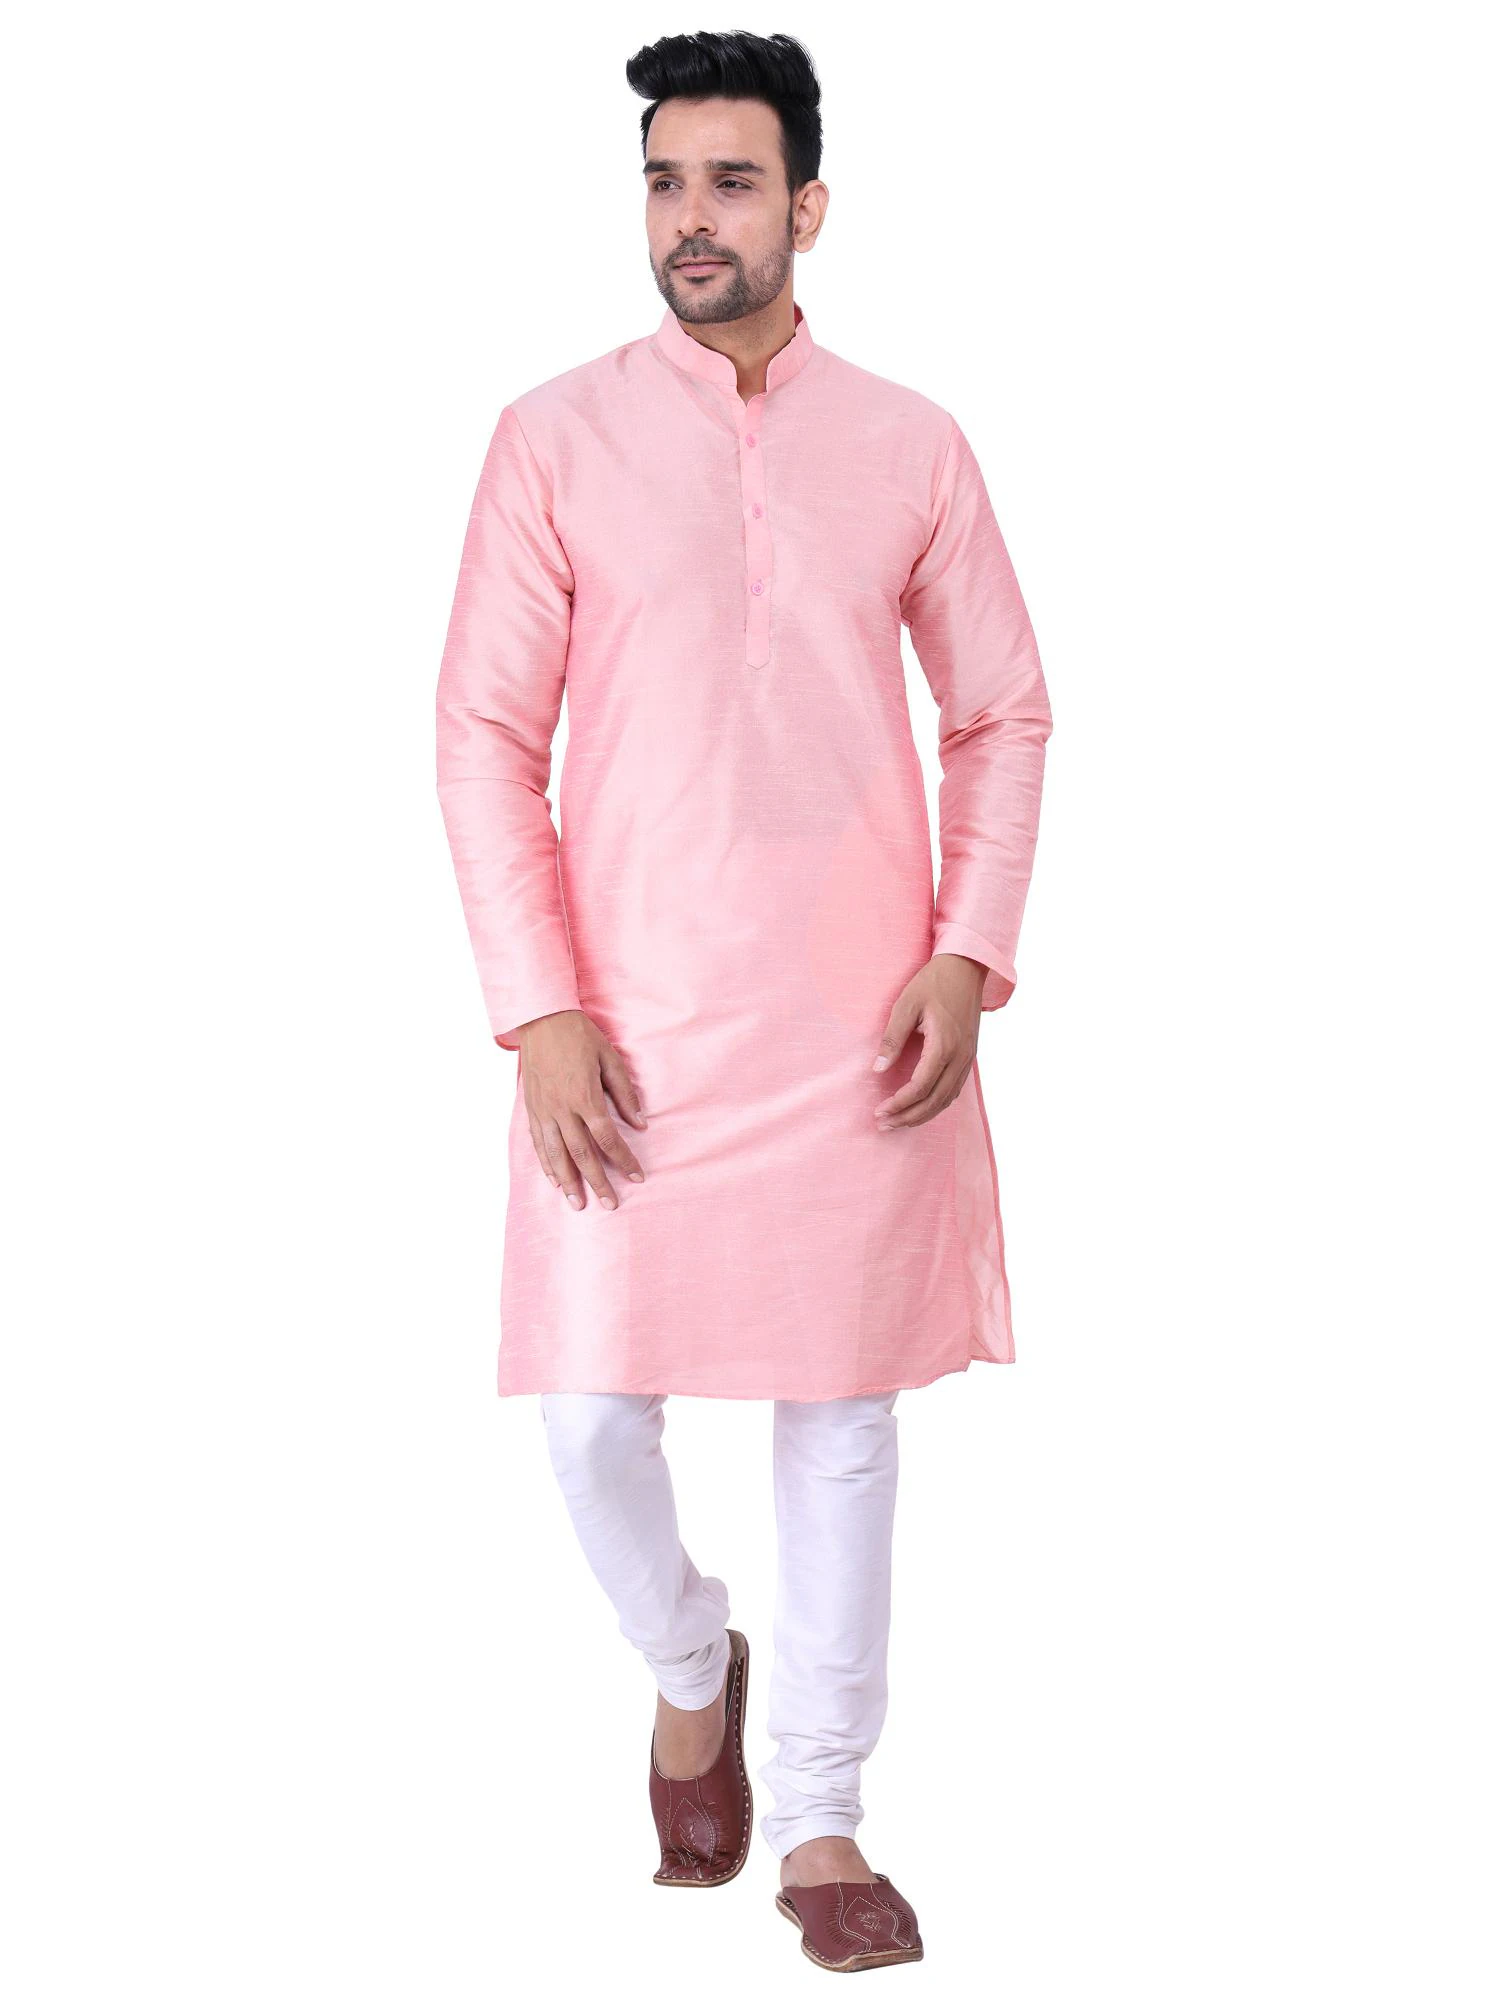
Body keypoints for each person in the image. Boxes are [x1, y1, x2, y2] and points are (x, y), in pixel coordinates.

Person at [435, 29, 1053, 1973]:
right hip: (624, 1029)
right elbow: (481, 734)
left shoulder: (912, 444)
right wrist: (538, 1006)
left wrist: (967, 950)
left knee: (840, 1421)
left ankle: (823, 1814)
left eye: (729, 181)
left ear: (808, 206)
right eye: (663, 181)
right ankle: (690, 1659)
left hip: (860, 1025)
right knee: (586, 1419)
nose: (689, 218)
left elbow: (1003, 709)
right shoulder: (553, 438)